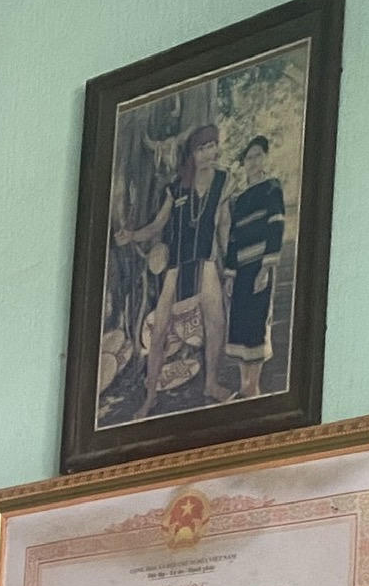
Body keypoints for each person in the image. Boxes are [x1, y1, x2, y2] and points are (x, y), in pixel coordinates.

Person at [118, 122, 230, 418]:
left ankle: (211, 384)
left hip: (206, 260)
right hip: (175, 264)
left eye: (211, 146)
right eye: (201, 149)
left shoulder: (223, 181)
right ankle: (150, 397)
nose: (208, 153)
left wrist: (230, 268)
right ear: (192, 154)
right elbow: (157, 225)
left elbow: (224, 225)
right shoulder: (177, 186)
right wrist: (132, 235)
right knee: (159, 331)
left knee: (216, 322)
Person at [221, 136, 287, 399]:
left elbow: (276, 224)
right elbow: (233, 238)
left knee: (258, 321)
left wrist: (266, 268)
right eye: (249, 158)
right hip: (241, 270)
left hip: (259, 266)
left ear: (264, 158)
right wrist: (230, 275)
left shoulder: (271, 188)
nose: (253, 161)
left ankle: (254, 386)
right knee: (240, 321)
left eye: (258, 155)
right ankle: (243, 385)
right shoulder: (238, 199)